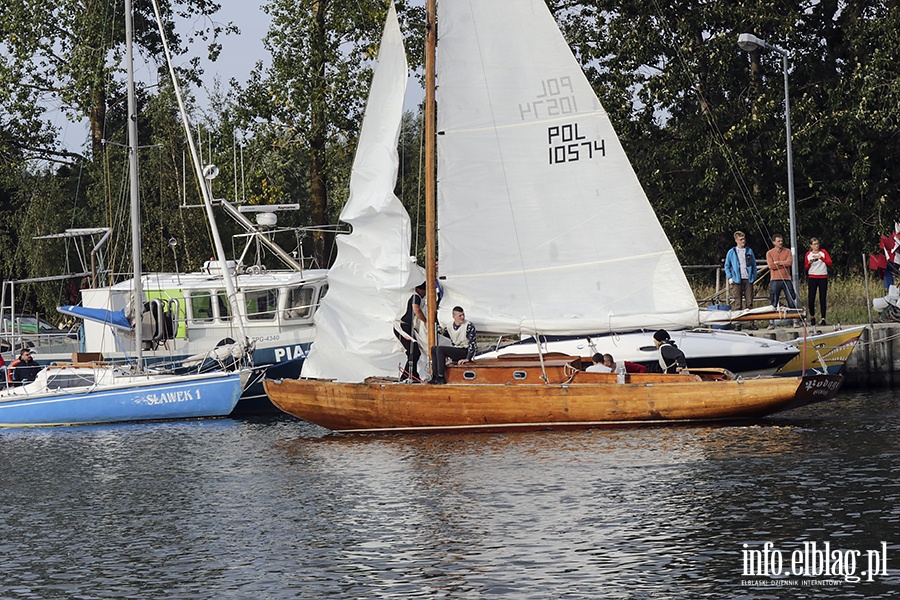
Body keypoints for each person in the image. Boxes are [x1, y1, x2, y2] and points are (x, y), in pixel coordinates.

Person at [428, 306, 476, 384]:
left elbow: (472, 343)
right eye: (460, 315)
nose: (462, 317)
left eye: (463, 315)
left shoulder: (469, 325)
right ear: (454, 317)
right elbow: (443, 332)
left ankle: (441, 377)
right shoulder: (449, 326)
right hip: (457, 348)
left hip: (464, 351)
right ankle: (435, 376)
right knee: (434, 348)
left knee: (440, 349)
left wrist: (468, 358)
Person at [396, 283, 427, 381]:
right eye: (425, 291)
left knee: (412, 352)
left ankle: (412, 375)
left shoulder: (412, 294)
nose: (425, 294)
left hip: (406, 326)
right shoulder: (415, 296)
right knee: (414, 352)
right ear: (421, 290)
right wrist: (426, 321)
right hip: (402, 326)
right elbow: (416, 309)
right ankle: (408, 375)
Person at [724, 231, 757, 311]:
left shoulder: (749, 251)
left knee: (749, 302)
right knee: (738, 302)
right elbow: (727, 265)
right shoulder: (731, 252)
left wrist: (754, 276)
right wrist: (730, 277)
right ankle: (739, 322)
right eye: (741, 239)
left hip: (748, 278)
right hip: (737, 280)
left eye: (744, 239)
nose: (743, 241)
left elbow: (754, 265)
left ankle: (750, 322)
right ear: (736, 240)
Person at [766, 234, 799, 309]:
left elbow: (789, 263)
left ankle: (794, 319)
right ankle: (772, 319)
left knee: (791, 299)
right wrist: (784, 263)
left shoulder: (788, 251)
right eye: (778, 241)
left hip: (787, 279)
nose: (780, 242)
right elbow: (771, 266)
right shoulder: (769, 253)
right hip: (775, 280)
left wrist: (778, 263)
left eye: (781, 241)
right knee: (773, 301)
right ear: (774, 242)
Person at [804, 237, 832, 326]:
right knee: (811, 298)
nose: (817, 246)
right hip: (812, 276)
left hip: (822, 276)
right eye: (815, 244)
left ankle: (823, 318)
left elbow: (830, 262)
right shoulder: (808, 254)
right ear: (811, 245)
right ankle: (812, 316)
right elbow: (805, 267)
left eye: (817, 244)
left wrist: (821, 258)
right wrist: (809, 263)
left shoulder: (823, 252)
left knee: (822, 298)